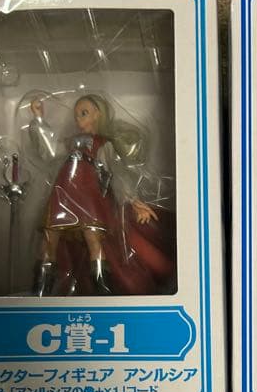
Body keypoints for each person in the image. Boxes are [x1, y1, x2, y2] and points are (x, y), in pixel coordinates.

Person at [30, 94, 174, 296]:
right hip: (62, 194)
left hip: (89, 196)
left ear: (97, 114)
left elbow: (117, 173)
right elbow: (49, 151)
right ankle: (40, 291)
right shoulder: (70, 142)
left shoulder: (104, 144)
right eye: (76, 115)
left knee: (94, 241)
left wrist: (133, 200)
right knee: (48, 240)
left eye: (84, 113)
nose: (78, 119)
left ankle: (102, 290)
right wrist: (38, 119)